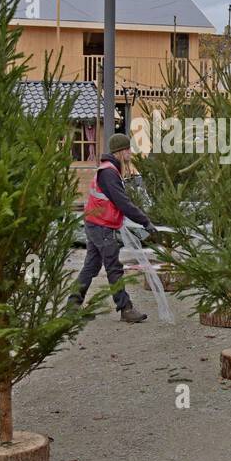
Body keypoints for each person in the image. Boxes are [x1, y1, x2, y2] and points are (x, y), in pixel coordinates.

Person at [68, 132, 157, 323]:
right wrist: (145, 221)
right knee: (113, 267)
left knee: (91, 266)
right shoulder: (109, 173)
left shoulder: (109, 170)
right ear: (120, 151)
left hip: (96, 223)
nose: (130, 153)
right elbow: (123, 203)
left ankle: (72, 306)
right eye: (128, 149)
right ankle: (126, 308)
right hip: (101, 226)